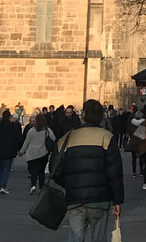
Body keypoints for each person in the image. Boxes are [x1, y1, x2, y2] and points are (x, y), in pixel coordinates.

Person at [51, 99, 124, 242]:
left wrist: (71, 184)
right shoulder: (107, 138)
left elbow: (55, 169)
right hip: (100, 198)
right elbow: (115, 173)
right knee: (98, 237)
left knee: (75, 237)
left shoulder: (67, 138)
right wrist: (117, 200)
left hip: (75, 197)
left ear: (83, 114)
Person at [18, 110, 57, 194]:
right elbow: (54, 138)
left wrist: (21, 152)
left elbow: (26, 142)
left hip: (32, 154)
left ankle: (33, 186)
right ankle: (41, 187)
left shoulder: (32, 131)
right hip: (43, 153)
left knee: (33, 172)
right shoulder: (47, 130)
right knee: (41, 172)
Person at [0, 108, 22, 193]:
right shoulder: (13, 127)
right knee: (6, 169)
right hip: (9, 151)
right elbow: (18, 139)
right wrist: (19, 149)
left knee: (0, 168)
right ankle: (3, 186)